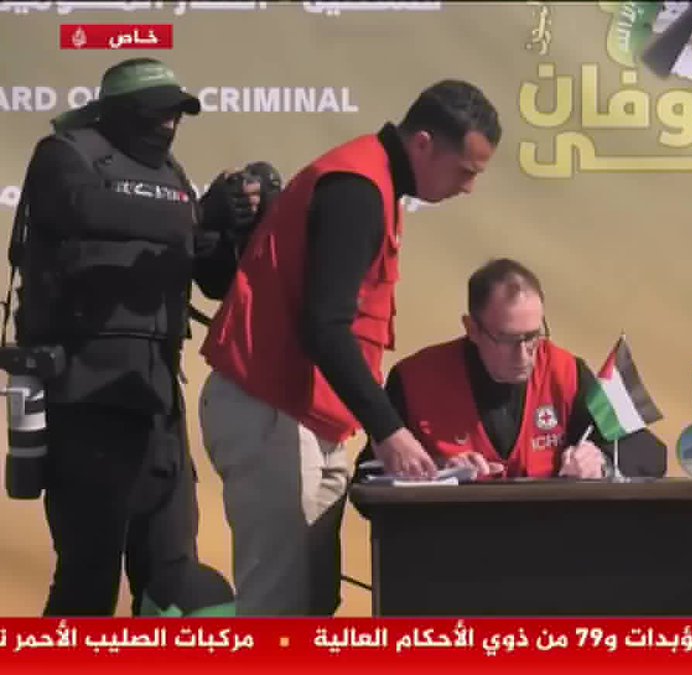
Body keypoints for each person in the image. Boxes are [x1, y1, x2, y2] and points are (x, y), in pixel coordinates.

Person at [198, 79, 501, 616]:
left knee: (315, 604)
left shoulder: (376, 184)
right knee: (278, 609)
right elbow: (325, 328)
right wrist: (390, 431)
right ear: (424, 144)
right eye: (464, 171)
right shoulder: (356, 190)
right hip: (271, 412)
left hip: (306, 417)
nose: (469, 188)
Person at [7, 57, 260, 616]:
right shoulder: (65, 155)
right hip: (84, 393)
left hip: (157, 398)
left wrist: (232, 229)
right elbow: (86, 209)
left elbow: (212, 280)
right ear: (117, 112)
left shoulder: (172, 174)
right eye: (157, 112)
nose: (169, 124)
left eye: (177, 113)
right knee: (89, 573)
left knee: (173, 575)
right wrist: (198, 217)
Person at [354, 258, 652, 485]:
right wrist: (436, 470)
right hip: (452, 537)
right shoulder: (415, 380)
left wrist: (601, 462)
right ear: (472, 329)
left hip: (549, 536)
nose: (524, 354)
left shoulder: (565, 373)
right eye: (508, 339)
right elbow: (367, 479)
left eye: (533, 336)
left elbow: (647, 453)